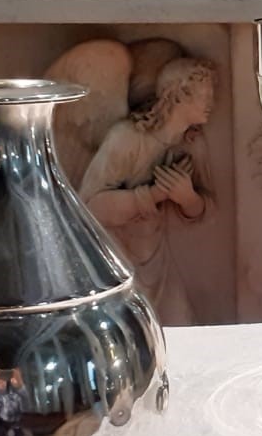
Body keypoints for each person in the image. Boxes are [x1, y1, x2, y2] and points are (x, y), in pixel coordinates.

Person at [78, 58, 215, 325]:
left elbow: (206, 212)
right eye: (204, 94)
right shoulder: (126, 139)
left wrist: (187, 197)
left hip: (158, 257)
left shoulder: (192, 145)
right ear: (178, 95)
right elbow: (89, 207)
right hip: (116, 262)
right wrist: (152, 196)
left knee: (182, 323)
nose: (212, 101)